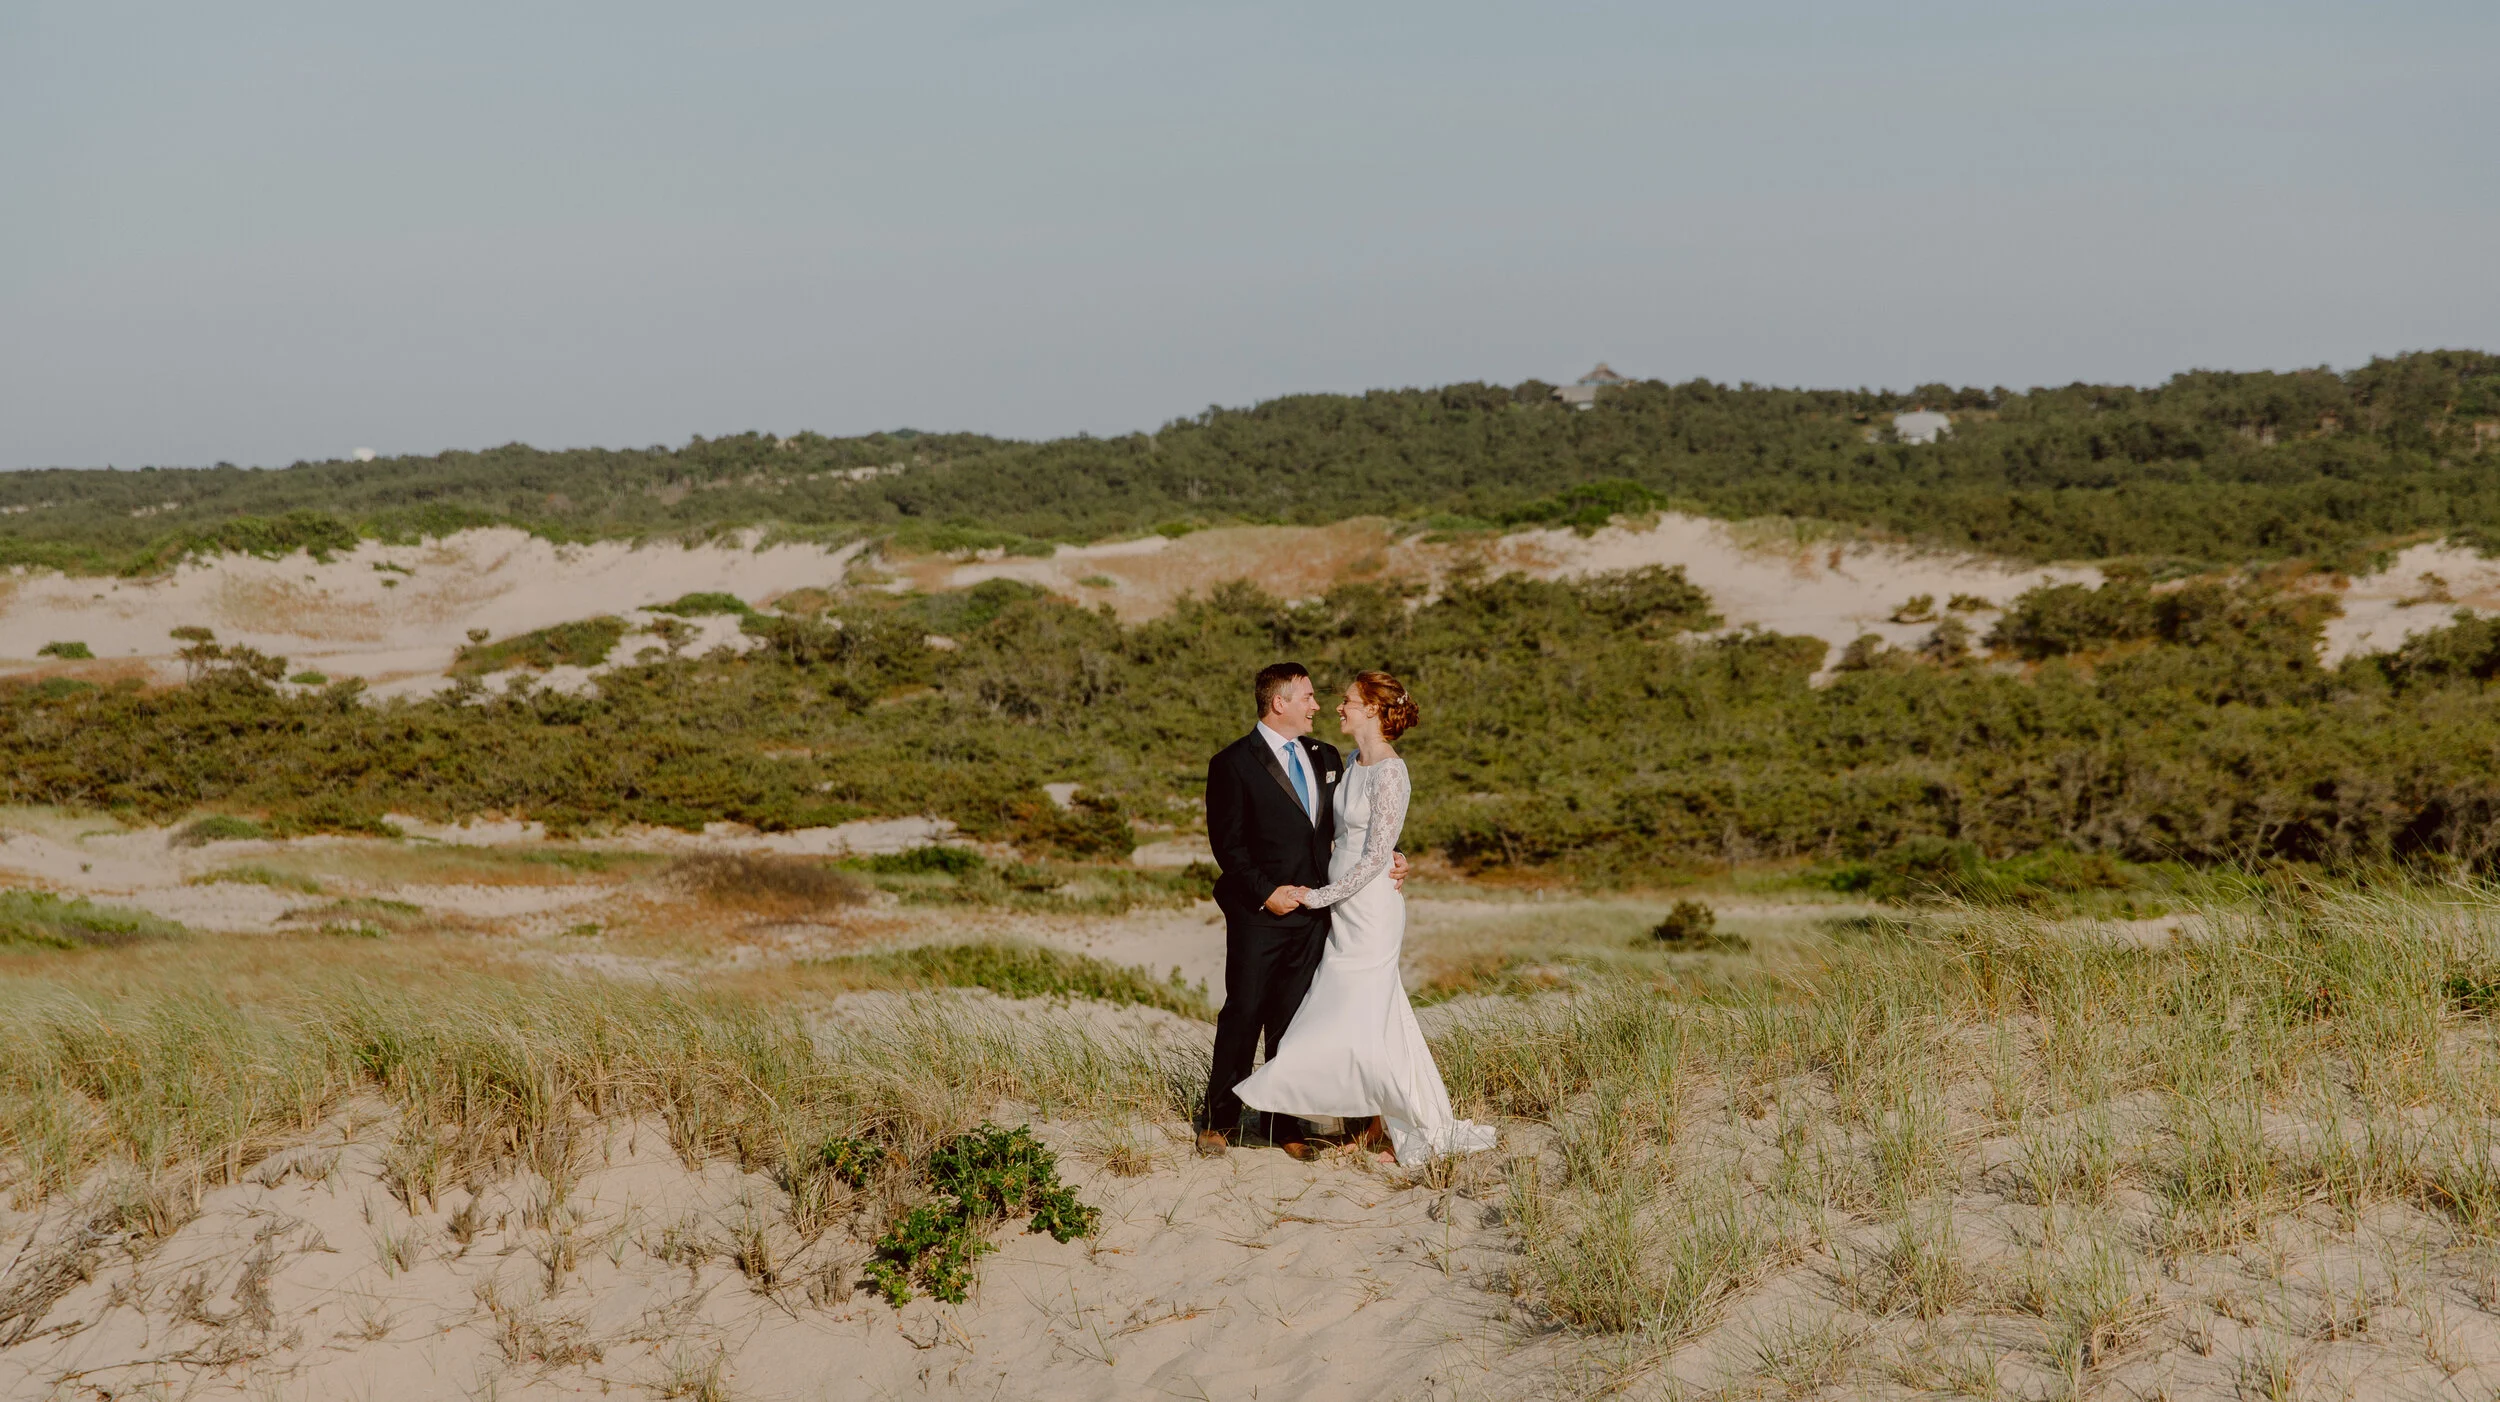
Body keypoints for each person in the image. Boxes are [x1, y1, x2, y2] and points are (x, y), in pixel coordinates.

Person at [1232, 671, 1496, 1167]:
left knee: (1351, 1010)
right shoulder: (1351, 760)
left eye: (1348, 701)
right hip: (1343, 909)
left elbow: (1375, 856)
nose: (1338, 708)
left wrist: (1321, 896)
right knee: (1378, 1016)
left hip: (1369, 910)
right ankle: (1376, 1122)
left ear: (1373, 710)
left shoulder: (1393, 771)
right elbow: (1346, 833)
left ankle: (1366, 1117)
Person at [1197, 662, 1405, 1159]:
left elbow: (1361, 822)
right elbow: (1228, 846)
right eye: (1308, 697)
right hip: (1259, 911)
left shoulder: (1328, 756)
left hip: (1320, 911)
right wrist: (1268, 892)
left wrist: (1395, 852)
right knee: (1244, 1011)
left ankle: (1282, 1123)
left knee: (1295, 1017)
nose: (1317, 706)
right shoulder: (1232, 763)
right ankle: (1220, 1120)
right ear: (1279, 703)